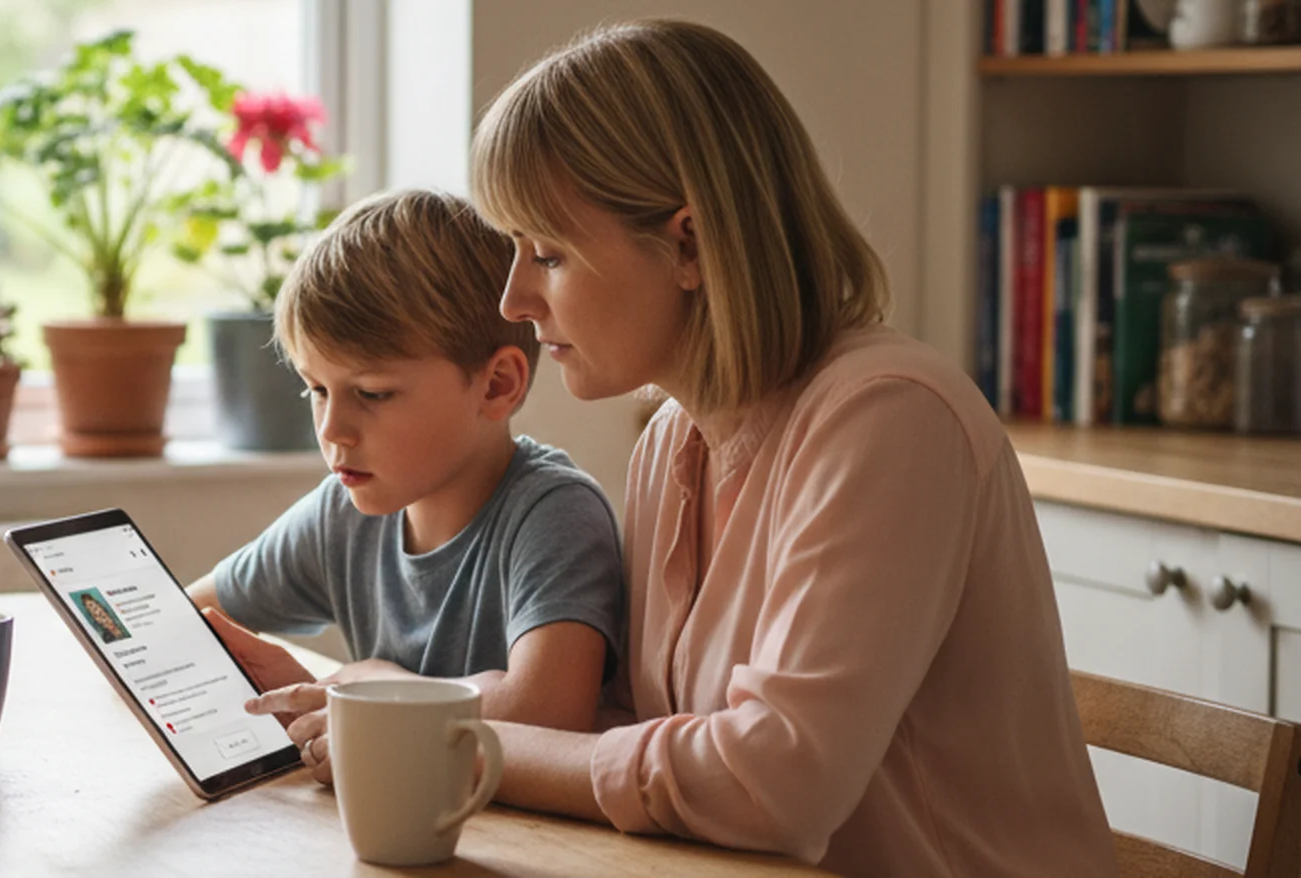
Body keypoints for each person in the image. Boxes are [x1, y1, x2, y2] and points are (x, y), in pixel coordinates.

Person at [434, 18, 1112, 877]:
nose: (514, 300)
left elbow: (772, 784)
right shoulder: (672, 441)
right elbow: (636, 741)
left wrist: (462, 749)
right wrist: (386, 710)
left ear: (690, 244)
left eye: (549, 253)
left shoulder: (889, 417)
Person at [187, 189, 628, 785]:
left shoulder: (554, 513)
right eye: (316, 389)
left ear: (497, 385)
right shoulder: (342, 513)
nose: (332, 430)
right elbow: (189, 617)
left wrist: (381, 688)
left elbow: (548, 712)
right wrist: (303, 689)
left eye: (373, 393)